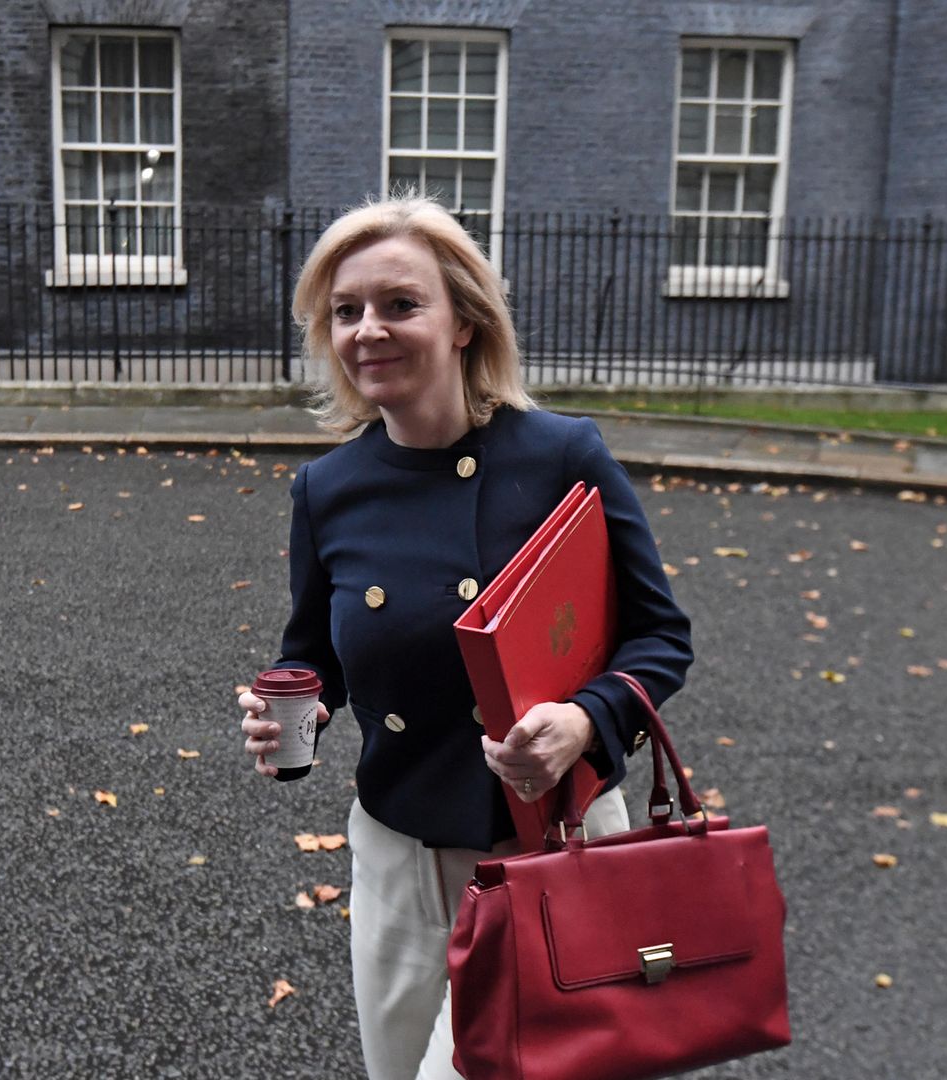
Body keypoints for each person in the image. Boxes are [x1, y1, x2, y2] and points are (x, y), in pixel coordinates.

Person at [236, 194, 693, 1080]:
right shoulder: (328, 489)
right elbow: (314, 657)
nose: (369, 329)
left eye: (400, 304)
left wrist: (586, 722)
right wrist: (292, 705)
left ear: (463, 324)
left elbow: (659, 635)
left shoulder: (562, 455)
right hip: (400, 849)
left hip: (551, 843)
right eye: (346, 311)